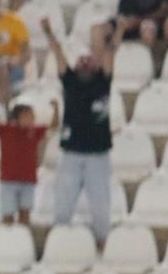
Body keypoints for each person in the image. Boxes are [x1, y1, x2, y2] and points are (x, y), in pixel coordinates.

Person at [42, 16, 116, 248]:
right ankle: (58, 241)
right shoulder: (70, 81)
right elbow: (58, 53)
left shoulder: (103, 81)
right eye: (80, 60)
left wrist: (116, 34)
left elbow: (111, 53)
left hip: (98, 154)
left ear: (96, 65)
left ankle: (103, 242)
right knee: (63, 200)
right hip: (71, 153)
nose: (84, 63)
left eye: (88, 60)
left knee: (101, 203)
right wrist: (49, 33)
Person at [0, 90, 60, 225]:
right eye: (28, 115)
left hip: (28, 180)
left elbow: (53, 127)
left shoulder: (35, 131)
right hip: (9, 181)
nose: (32, 118)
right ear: (18, 117)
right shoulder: (5, 130)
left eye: (32, 116)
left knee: (25, 217)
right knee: (7, 217)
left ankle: (23, 242)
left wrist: (56, 109)